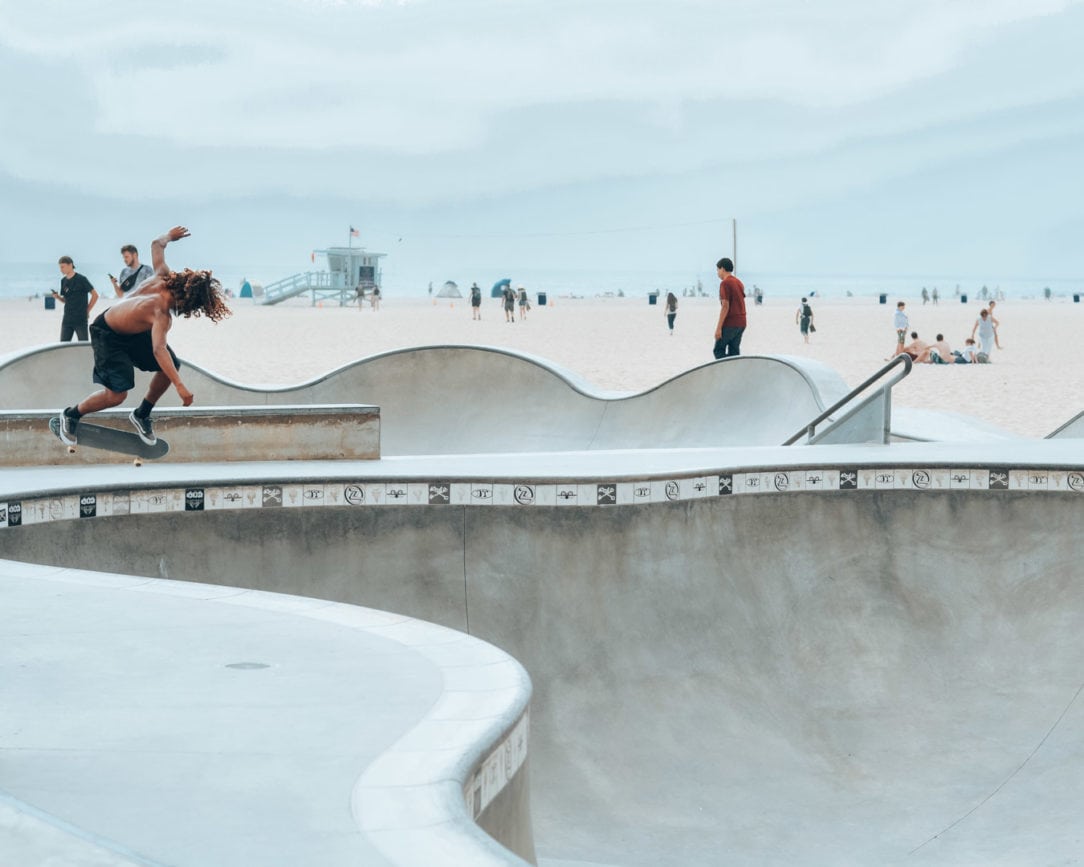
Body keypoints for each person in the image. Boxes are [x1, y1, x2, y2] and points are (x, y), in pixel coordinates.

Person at [53, 226, 230, 447]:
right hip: (107, 334)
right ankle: (71, 415)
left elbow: (156, 244)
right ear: (189, 301)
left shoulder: (163, 274)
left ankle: (142, 414)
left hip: (134, 331)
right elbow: (158, 349)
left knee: (170, 366)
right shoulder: (161, 314)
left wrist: (169, 237)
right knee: (117, 395)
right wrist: (180, 386)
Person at [52, 257, 99, 342]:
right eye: (60, 267)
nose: (61, 269)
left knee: (83, 346)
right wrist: (58, 297)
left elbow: (95, 295)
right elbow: (66, 300)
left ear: (70, 265)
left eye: (62, 267)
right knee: (63, 346)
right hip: (67, 319)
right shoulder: (63, 281)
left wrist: (87, 311)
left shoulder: (81, 279)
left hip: (80, 319)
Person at [712, 257, 746, 358]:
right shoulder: (739, 282)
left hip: (730, 323)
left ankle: (726, 372)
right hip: (742, 322)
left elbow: (725, 306)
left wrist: (718, 328)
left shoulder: (725, 283)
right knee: (734, 353)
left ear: (722, 269)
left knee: (718, 350)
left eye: (717, 270)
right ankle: (735, 372)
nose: (717, 273)